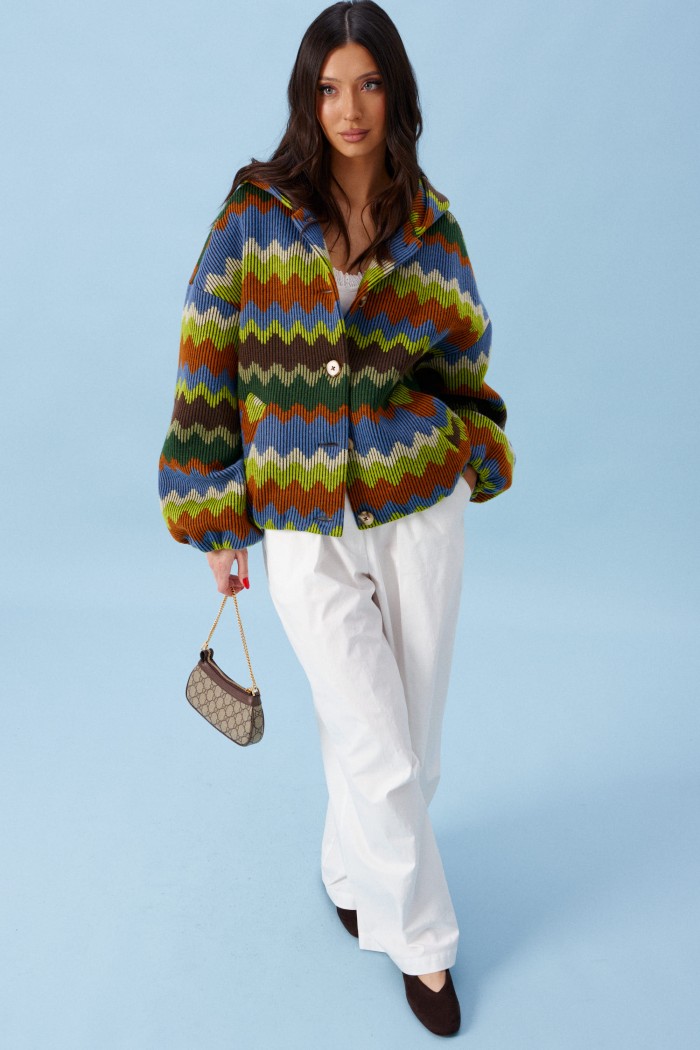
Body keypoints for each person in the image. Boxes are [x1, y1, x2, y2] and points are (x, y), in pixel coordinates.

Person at [158, 0, 514, 1036]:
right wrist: (216, 518)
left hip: (417, 512)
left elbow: (464, 357)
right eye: (328, 88)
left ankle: (345, 870)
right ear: (305, 100)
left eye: (367, 84)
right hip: (303, 522)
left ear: (394, 95)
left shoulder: (431, 227)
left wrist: (468, 451)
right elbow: (204, 368)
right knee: (377, 746)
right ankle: (427, 950)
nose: (348, 108)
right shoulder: (252, 218)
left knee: (413, 752)